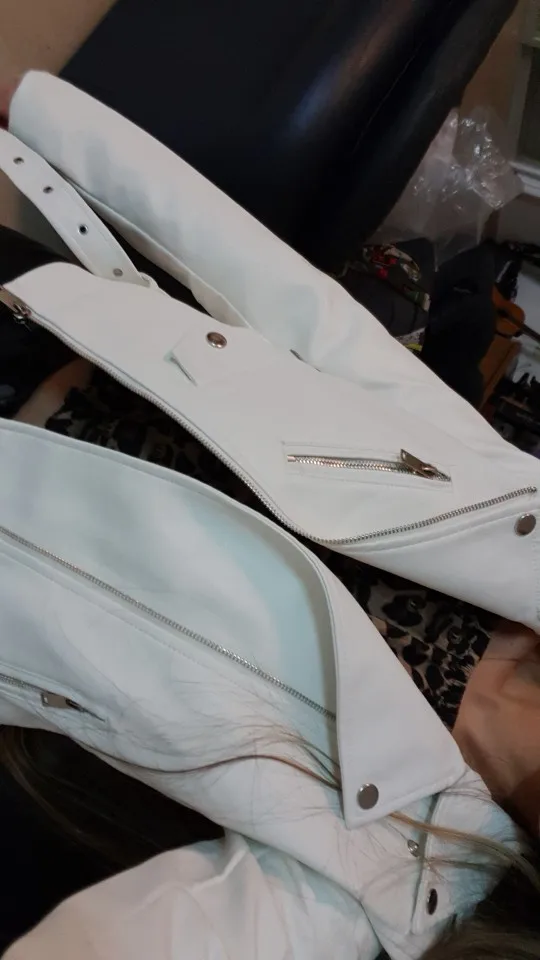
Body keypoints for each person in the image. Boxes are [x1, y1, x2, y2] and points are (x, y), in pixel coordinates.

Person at [0, 71, 538, 960]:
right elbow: (311, 322)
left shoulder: (402, 882)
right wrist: (58, 122)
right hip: (49, 312)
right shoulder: (526, 540)